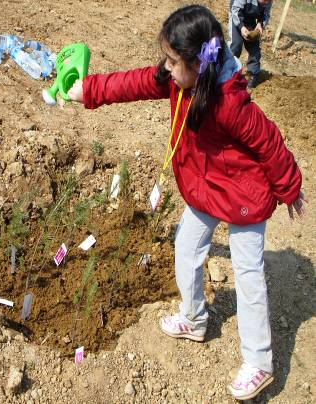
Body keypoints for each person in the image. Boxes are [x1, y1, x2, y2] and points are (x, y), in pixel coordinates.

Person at [68, 4, 306, 400]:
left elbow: (268, 142)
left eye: (172, 60)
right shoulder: (182, 78)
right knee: (186, 246)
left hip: (245, 194)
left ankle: (259, 361)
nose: (165, 67)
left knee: (248, 275)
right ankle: (195, 319)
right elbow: (135, 82)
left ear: (199, 65)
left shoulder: (230, 103)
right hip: (207, 188)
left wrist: (291, 187)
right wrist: (88, 90)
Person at [229, 0, 273, 88]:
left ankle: (253, 75)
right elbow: (235, 9)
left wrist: (260, 24)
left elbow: (265, 14)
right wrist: (241, 27)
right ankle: (228, 72)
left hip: (251, 20)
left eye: (268, 1)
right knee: (236, 45)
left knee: (255, 49)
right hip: (237, 17)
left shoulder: (268, 1)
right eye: (264, 0)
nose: (266, 2)